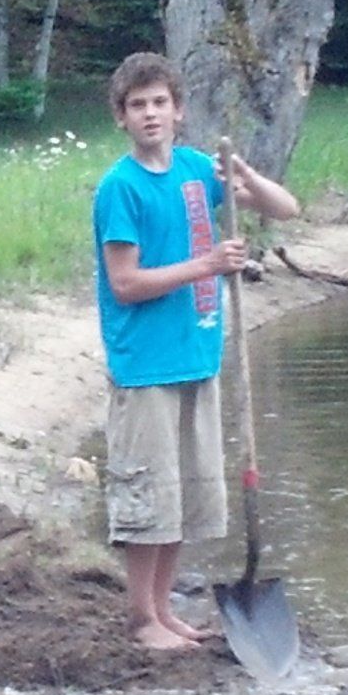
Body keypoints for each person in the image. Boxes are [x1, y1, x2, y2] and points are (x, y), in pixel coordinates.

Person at [92, 51, 299, 651]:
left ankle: (164, 610)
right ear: (122, 118)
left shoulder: (194, 171)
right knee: (147, 496)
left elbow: (286, 208)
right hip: (145, 365)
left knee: (180, 495)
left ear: (179, 111)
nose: (150, 114)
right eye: (138, 105)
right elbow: (126, 283)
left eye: (160, 102)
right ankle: (141, 619)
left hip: (197, 355)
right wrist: (206, 265)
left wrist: (245, 175)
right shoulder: (120, 188)